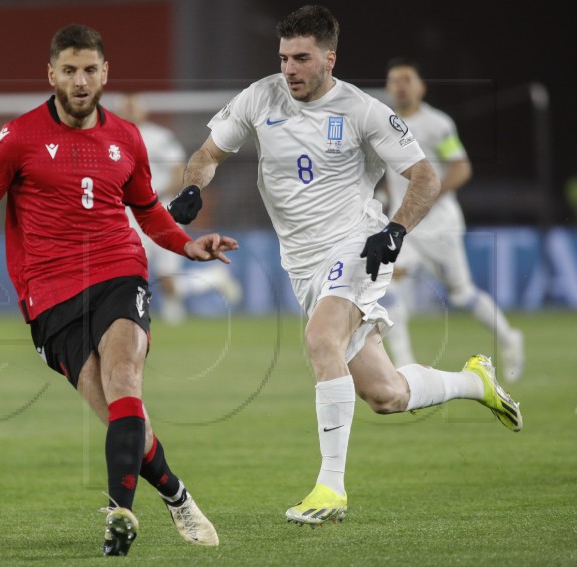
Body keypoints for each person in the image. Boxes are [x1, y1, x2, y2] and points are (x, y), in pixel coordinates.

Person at [168, 4, 523, 528]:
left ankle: (330, 488)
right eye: (284, 57)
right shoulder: (260, 96)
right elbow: (207, 153)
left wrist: (395, 231)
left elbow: (424, 178)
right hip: (303, 264)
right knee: (385, 395)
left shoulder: (363, 112)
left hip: (357, 245)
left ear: (329, 58)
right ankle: (476, 382)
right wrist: (193, 187)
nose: (289, 69)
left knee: (319, 339)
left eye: (302, 58)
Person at [0, 24, 231, 556]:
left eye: (89, 70)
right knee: (120, 418)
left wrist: (186, 245)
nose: (80, 81)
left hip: (118, 270)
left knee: (126, 378)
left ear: (105, 73)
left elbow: (147, 211)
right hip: (49, 294)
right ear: (52, 74)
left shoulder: (126, 138)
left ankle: (118, 520)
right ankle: (176, 494)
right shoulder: (17, 138)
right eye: (69, 70)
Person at [380, 58, 525, 382]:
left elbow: (461, 168)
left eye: (406, 79)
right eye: (394, 80)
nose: (400, 85)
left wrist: (427, 196)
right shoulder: (383, 124)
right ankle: (405, 367)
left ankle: (509, 337)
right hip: (404, 224)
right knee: (389, 284)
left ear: (420, 87)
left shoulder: (438, 124)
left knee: (461, 294)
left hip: (439, 225)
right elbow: (392, 177)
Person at [115, 93, 242, 325]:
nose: (130, 112)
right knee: (140, 271)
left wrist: (153, 197)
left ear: (143, 112)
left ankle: (213, 279)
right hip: (130, 215)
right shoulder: (114, 139)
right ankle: (175, 316)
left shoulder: (159, 137)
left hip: (159, 210)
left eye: (134, 108)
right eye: (126, 108)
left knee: (167, 278)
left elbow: (177, 171)